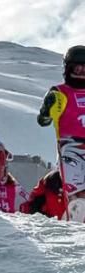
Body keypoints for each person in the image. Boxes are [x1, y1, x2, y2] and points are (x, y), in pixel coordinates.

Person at [36, 45, 85, 220]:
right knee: (76, 193)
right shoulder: (60, 93)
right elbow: (44, 121)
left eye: (84, 67)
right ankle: (77, 224)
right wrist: (46, 110)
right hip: (70, 146)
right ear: (67, 68)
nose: (80, 71)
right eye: (76, 67)